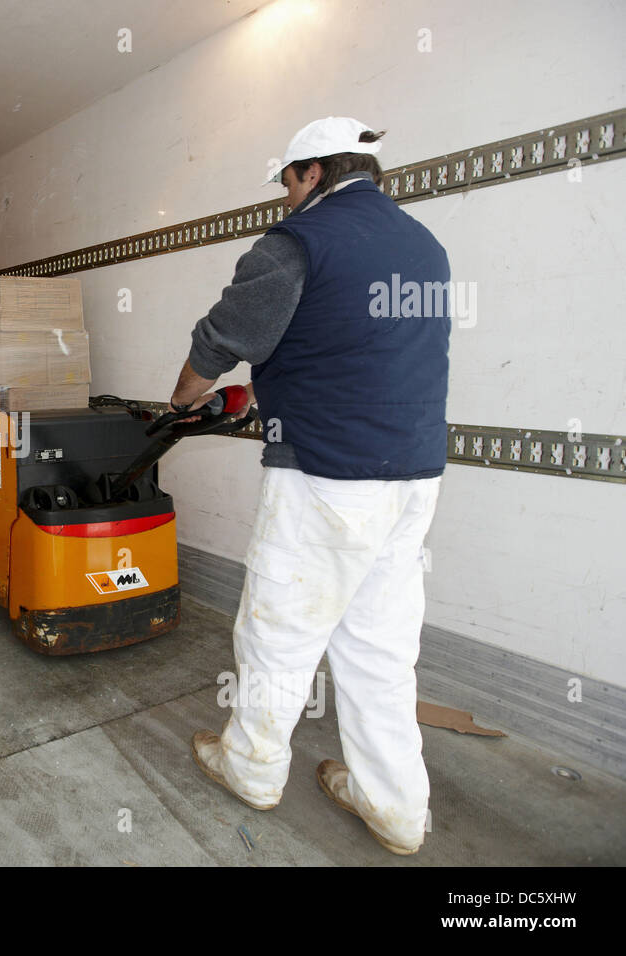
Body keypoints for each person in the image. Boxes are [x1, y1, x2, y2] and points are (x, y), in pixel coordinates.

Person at [168, 117, 450, 855]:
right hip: (413, 478)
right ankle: (395, 807)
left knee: (280, 629)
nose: (285, 197)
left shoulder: (298, 242)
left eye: (289, 181)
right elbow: (363, 348)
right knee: (381, 650)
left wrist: (182, 399)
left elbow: (226, 336)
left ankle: (252, 766)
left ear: (315, 172)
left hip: (327, 473)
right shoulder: (426, 246)